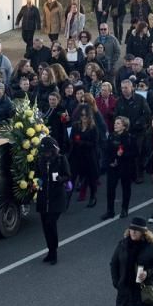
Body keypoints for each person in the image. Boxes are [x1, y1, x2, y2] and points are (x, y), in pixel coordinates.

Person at [36, 136, 71, 265]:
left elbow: (68, 175)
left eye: (48, 151)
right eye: (44, 152)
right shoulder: (40, 161)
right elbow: (37, 175)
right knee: (45, 226)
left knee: (51, 224)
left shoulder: (61, 160)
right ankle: (49, 251)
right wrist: (36, 182)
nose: (46, 154)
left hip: (56, 198)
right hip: (43, 198)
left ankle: (54, 251)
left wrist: (59, 179)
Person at [102, 116, 137, 220]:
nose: (115, 125)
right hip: (113, 167)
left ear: (124, 126)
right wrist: (110, 162)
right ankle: (110, 211)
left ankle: (124, 209)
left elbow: (135, 153)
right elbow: (107, 151)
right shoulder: (112, 136)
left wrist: (123, 154)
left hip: (125, 167)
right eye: (115, 123)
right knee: (110, 189)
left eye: (118, 123)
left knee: (126, 188)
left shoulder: (130, 137)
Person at [71, 108, 100, 208]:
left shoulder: (93, 128)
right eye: (82, 115)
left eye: (86, 115)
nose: (84, 117)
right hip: (77, 155)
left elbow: (95, 143)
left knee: (91, 178)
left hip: (89, 156)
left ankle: (93, 196)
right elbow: (71, 138)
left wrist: (82, 143)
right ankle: (67, 198)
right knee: (72, 177)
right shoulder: (76, 126)